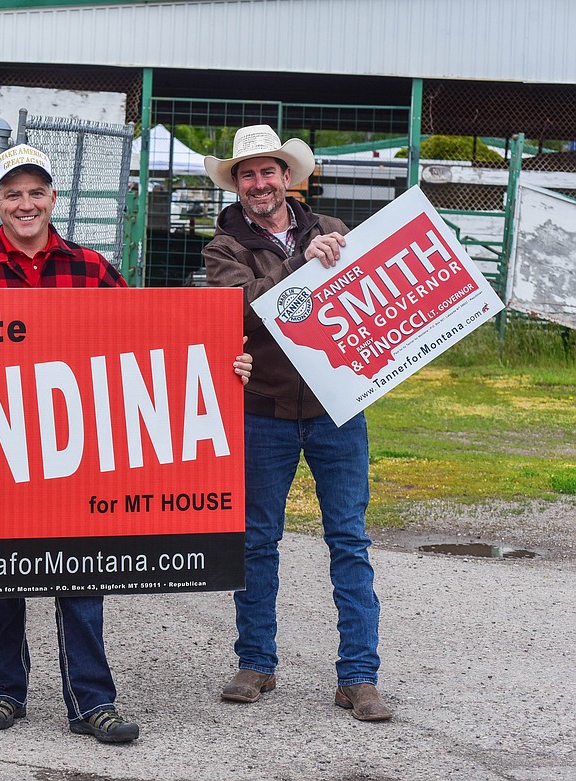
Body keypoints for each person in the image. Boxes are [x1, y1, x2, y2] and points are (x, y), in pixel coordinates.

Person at [0, 144, 253, 743]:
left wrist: (222, 366)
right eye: (13, 193)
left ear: (53, 199)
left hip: (75, 454)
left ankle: (91, 701)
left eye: (37, 192)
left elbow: (150, 346)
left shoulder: (92, 268)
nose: (26, 204)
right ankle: (4, 690)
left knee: (83, 578)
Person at [201, 124, 393, 721]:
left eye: (269, 171)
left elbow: (375, 298)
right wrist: (303, 271)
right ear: (237, 184)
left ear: (289, 177)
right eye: (247, 174)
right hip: (262, 410)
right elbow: (244, 312)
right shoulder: (222, 248)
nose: (260, 183)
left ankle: (358, 675)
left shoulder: (334, 232)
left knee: (349, 541)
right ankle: (256, 663)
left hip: (339, 408)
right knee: (256, 541)